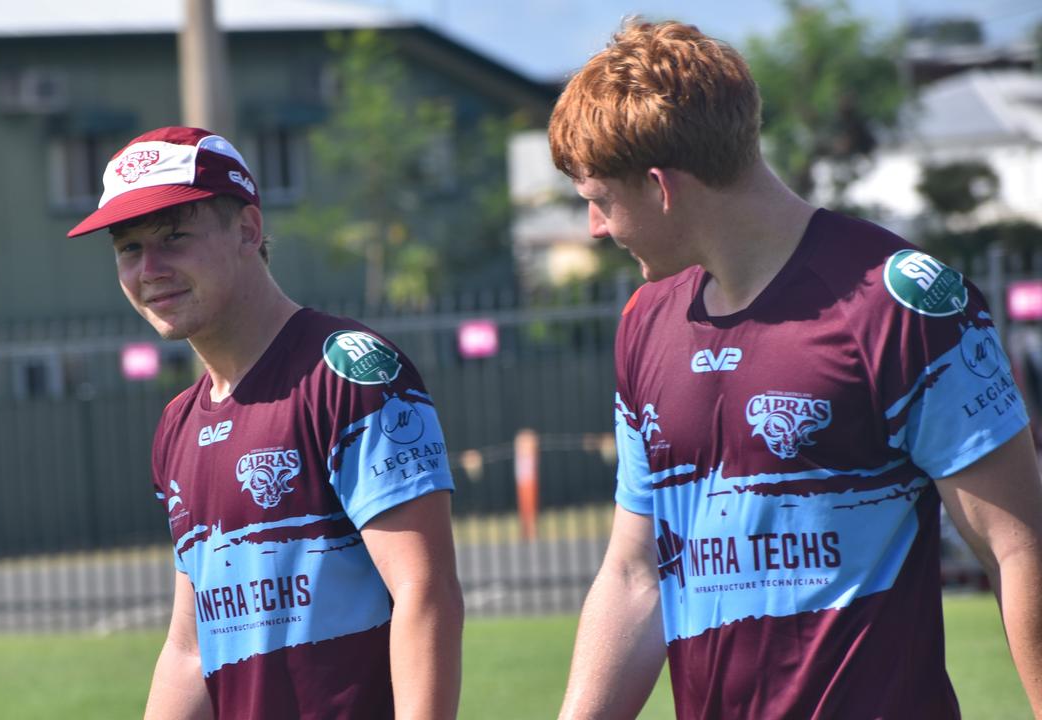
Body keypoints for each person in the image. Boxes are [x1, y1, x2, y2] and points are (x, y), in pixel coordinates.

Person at [548, 19, 1042, 719]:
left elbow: (1020, 549)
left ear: (660, 186)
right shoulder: (644, 323)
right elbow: (636, 576)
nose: (597, 229)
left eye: (599, 201)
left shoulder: (902, 303)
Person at [67, 126, 463, 720]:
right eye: (129, 248)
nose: (150, 269)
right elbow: (188, 649)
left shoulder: (349, 372)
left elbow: (424, 593)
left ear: (248, 231)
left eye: (174, 237)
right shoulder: (177, 424)